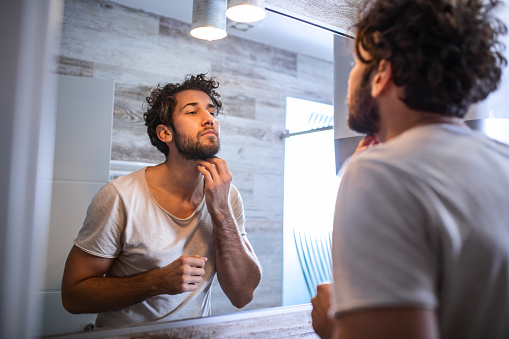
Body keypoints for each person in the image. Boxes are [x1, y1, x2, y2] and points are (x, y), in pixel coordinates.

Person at [311, 0, 509, 338]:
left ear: (382, 75)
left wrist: (334, 324)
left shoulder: (378, 173)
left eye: (357, 64)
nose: (349, 80)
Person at [61, 73, 262, 328]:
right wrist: (156, 282)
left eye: (211, 112)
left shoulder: (227, 194)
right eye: (192, 112)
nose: (209, 118)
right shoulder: (120, 196)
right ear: (165, 132)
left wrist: (221, 208)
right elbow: (73, 296)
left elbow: (243, 294)